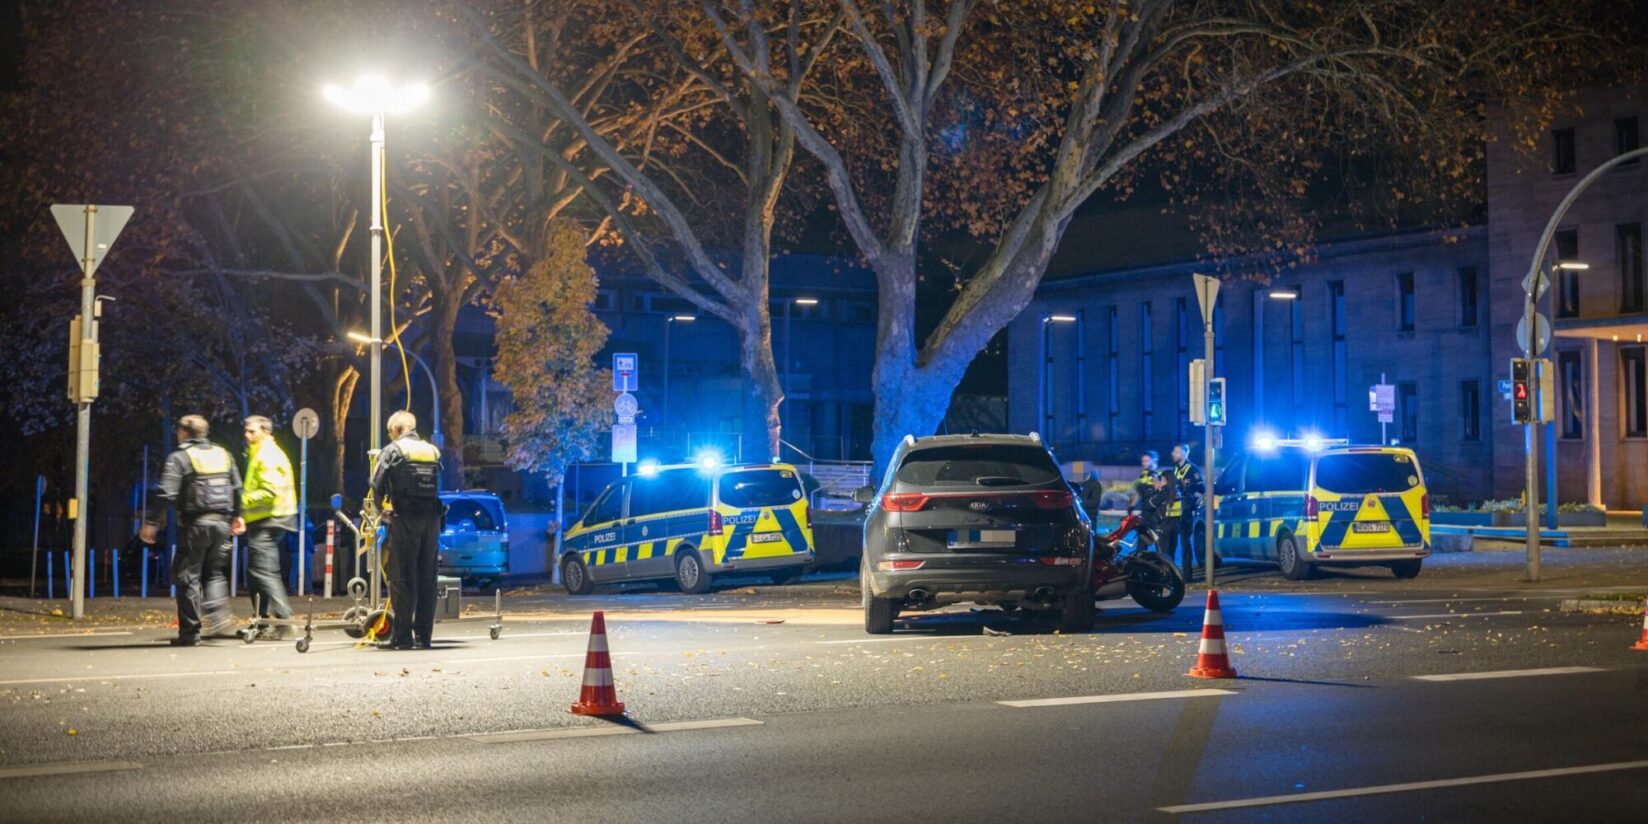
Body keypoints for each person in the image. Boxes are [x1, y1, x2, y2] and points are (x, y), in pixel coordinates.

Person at [142, 415, 243, 646]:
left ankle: (189, 633)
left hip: (194, 525)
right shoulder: (223, 454)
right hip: (221, 525)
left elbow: (166, 493)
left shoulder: (180, 457)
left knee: (188, 577)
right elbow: (237, 487)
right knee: (214, 573)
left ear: (184, 433)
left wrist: (151, 523)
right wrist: (238, 516)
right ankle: (219, 621)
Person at [366, 411, 444, 650]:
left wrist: (382, 512)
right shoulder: (432, 450)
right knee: (427, 579)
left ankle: (402, 637)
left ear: (395, 430)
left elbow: (377, 485)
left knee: (401, 577)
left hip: (406, 519)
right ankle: (424, 637)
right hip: (431, 521)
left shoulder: (393, 450)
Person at [241, 415, 297, 638]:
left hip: (271, 519)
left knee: (263, 571)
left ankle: (285, 621)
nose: (247, 435)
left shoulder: (267, 455)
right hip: (267, 518)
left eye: (252, 431)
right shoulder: (260, 452)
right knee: (256, 572)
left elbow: (269, 492)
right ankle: (260, 622)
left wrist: (241, 501)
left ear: (265, 431)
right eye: (246, 431)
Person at [1169, 443, 1205, 579]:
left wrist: (1192, 504)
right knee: (1172, 542)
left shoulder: (1192, 469)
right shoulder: (1175, 469)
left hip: (1186, 510)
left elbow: (1201, 490)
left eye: (1177, 452)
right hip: (1174, 511)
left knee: (1185, 542)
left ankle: (1187, 573)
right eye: (1174, 452)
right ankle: (1172, 573)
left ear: (1185, 453)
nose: (1174, 454)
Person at [1139, 471, 1178, 554]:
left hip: (1163, 527)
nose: (1160, 482)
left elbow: (1148, 505)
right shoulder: (1178, 493)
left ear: (1167, 481)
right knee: (1171, 554)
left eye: (1162, 480)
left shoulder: (1163, 493)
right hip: (1175, 526)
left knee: (1162, 555)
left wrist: (1157, 491)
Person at [1127, 450, 1160, 514]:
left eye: (1146, 461)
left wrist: (1154, 477)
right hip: (1145, 509)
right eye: (1143, 461)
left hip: (1156, 511)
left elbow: (1160, 493)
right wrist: (1131, 507)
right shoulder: (1143, 475)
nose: (1143, 463)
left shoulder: (1159, 475)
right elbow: (1138, 492)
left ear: (1154, 461)